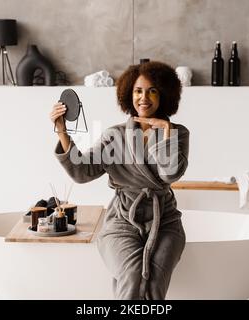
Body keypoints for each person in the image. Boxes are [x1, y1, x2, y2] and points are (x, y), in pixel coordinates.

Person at [51, 61, 190, 300]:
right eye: (138, 90)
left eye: (152, 90)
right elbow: (81, 172)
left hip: (164, 220)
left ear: (164, 95)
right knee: (133, 274)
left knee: (155, 282)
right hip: (123, 219)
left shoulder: (178, 132)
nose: (144, 97)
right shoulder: (115, 135)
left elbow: (170, 174)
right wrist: (62, 131)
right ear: (129, 94)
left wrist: (165, 130)